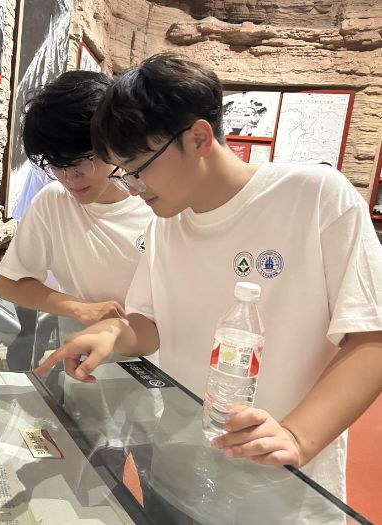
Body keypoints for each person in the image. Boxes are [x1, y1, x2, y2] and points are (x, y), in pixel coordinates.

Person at [35, 53, 382, 502]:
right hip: (177, 473)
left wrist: (298, 436)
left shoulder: (315, 197)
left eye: (138, 170)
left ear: (198, 137)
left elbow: (370, 337)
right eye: (125, 174)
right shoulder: (165, 226)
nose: (133, 189)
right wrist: (113, 332)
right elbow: (150, 324)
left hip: (284, 492)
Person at [0, 71, 155, 352]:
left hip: (153, 364)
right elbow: (10, 283)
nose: (70, 178)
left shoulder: (156, 203)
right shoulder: (53, 202)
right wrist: (80, 308)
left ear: (115, 142)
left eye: (82, 160)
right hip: (80, 361)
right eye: (57, 165)